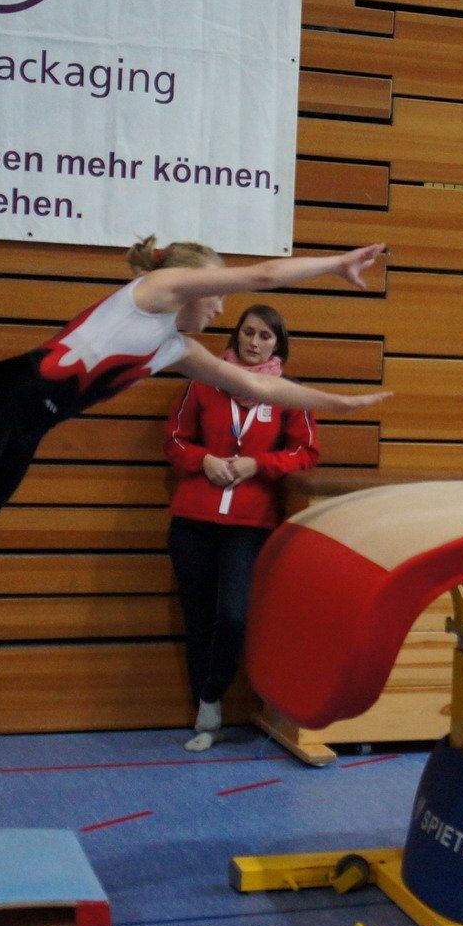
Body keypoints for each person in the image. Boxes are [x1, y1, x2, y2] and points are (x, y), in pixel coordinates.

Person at [0, 238, 388, 766]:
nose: (220, 307)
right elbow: (264, 274)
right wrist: (335, 264)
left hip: (25, 426)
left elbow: (260, 387)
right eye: (217, 294)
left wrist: (336, 403)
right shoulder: (156, 293)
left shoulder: (174, 346)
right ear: (193, 283)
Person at [163, 304, 315, 752]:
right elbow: (174, 439)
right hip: (193, 521)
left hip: (248, 525)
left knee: (233, 615)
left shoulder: (288, 393)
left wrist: (258, 464)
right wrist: (203, 460)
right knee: (198, 618)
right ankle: (205, 715)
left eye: (265, 336)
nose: (254, 342)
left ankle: (212, 694)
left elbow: (305, 453)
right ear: (236, 336)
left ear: (277, 345)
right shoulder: (205, 382)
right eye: (248, 332)